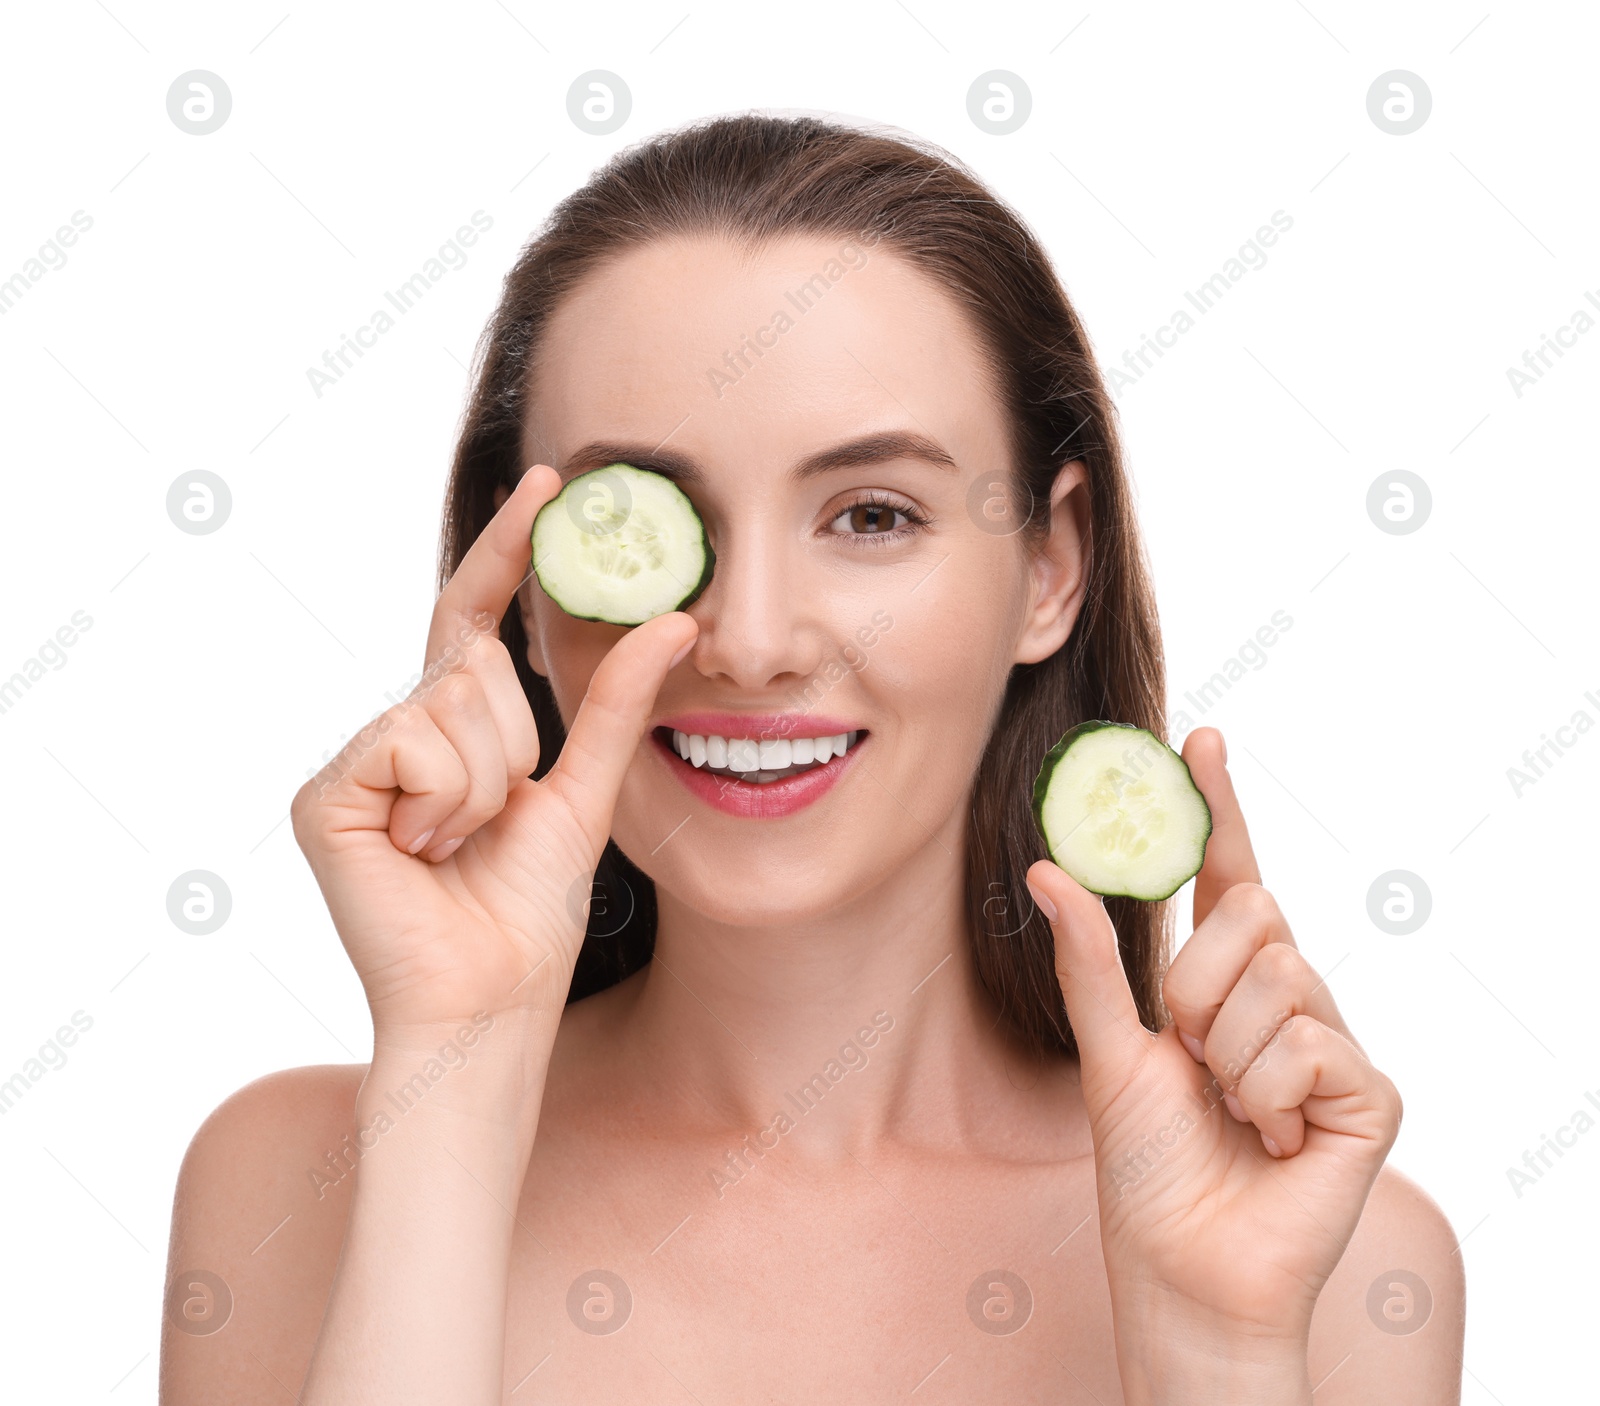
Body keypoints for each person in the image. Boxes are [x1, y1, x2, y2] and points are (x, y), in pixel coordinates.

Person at [161, 113, 1464, 1404]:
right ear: (526, 591)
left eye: (873, 515)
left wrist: (1217, 1354)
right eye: (657, 519)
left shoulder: (1337, 1257)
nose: (751, 640)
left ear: (1049, 569)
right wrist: (455, 1081)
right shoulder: (290, 1182)